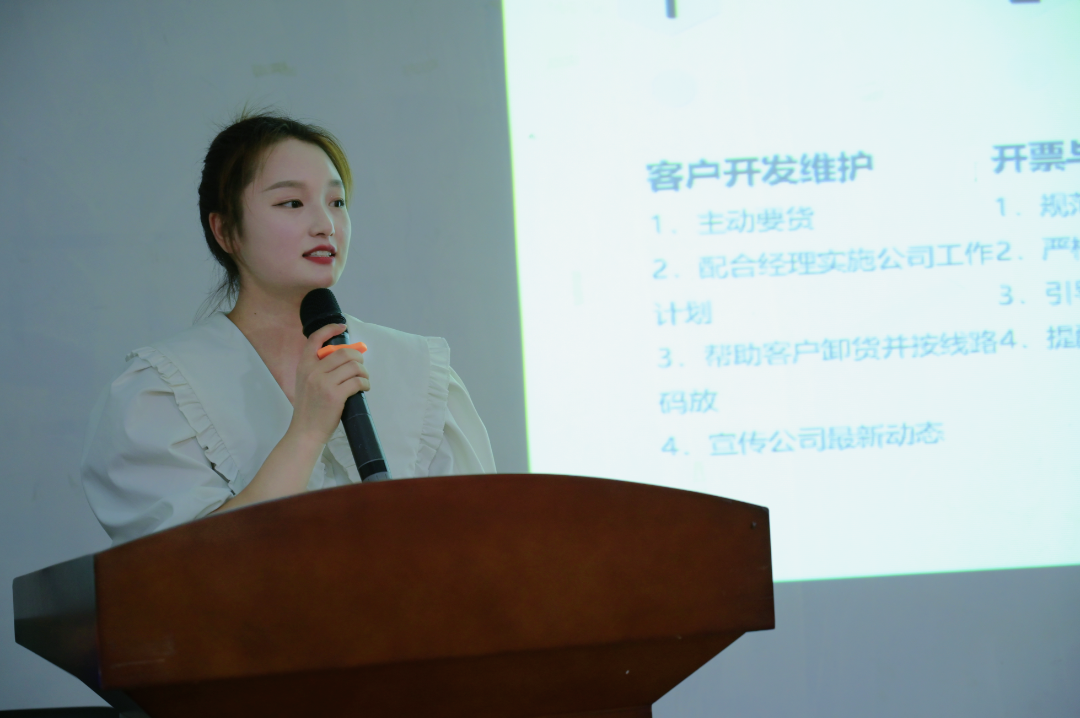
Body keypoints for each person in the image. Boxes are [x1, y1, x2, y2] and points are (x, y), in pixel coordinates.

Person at [81, 112, 495, 545]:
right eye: (292, 203)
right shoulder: (162, 391)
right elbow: (185, 568)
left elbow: (477, 544)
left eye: (337, 203)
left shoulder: (420, 369)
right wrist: (307, 433)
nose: (325, 225)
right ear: (225, 231)